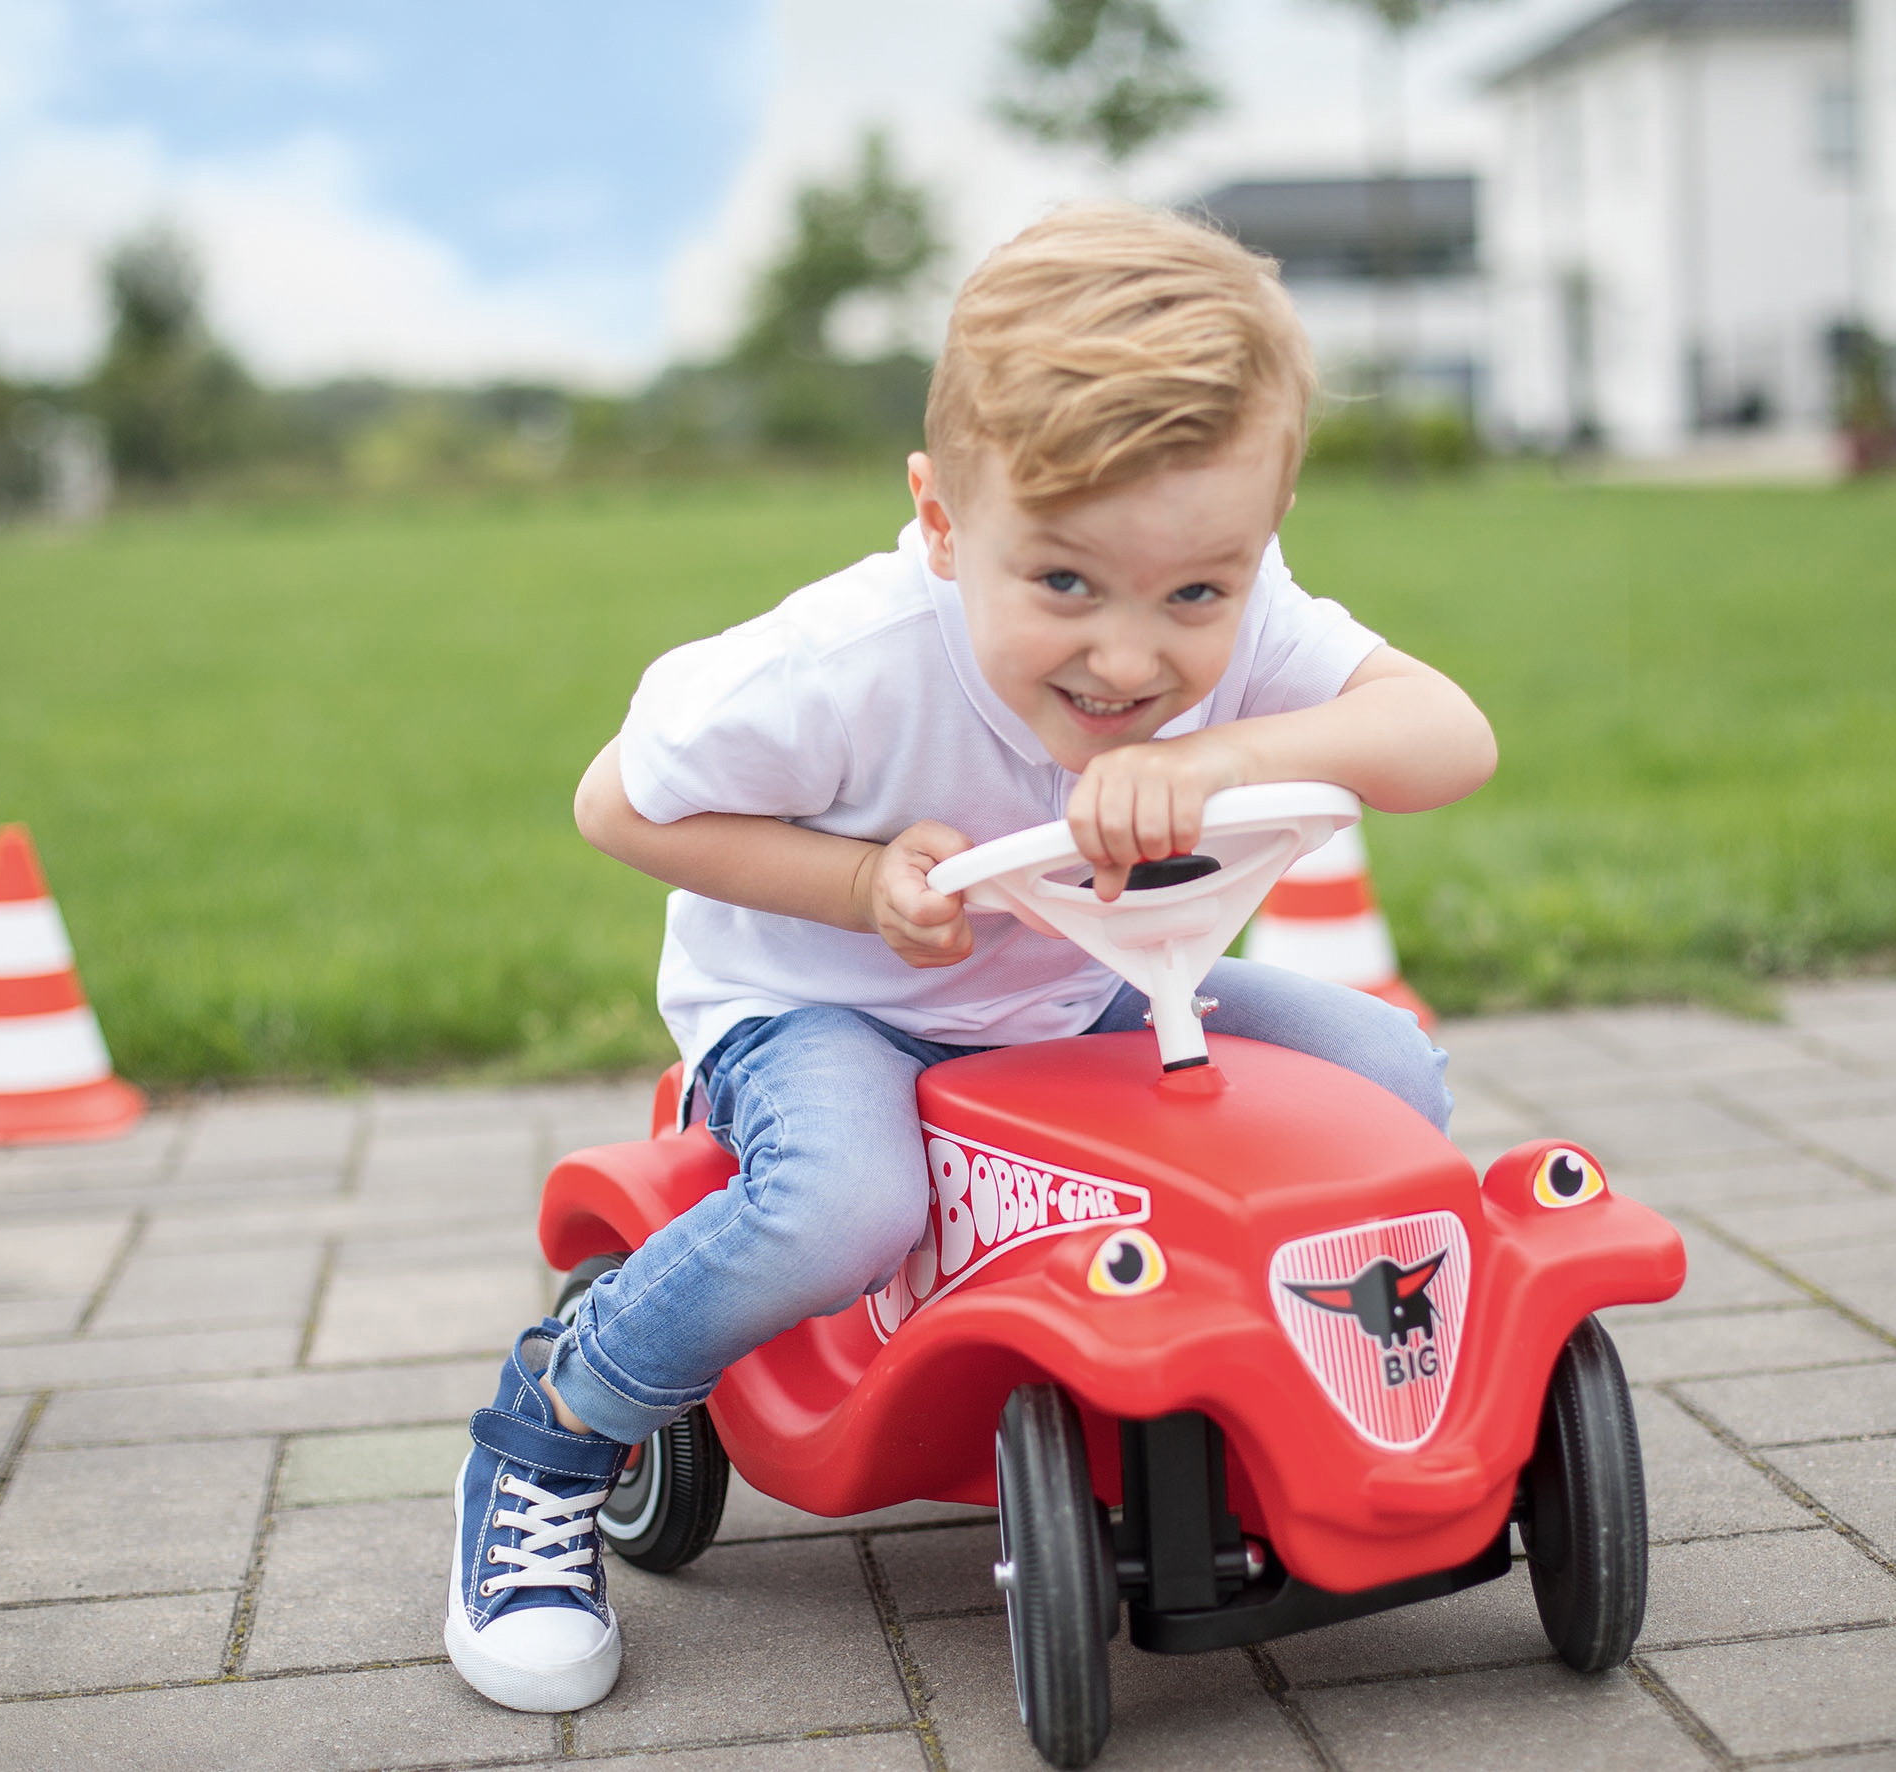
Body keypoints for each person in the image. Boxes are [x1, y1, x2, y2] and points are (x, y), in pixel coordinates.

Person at [443, 204, 1498, 1712]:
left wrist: (1221, 756)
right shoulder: (841, 667)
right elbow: (614, 804)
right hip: (824, 1005)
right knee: (847, 1206)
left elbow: (1448, 736)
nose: (1129, 658)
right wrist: (858, 881)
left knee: (1383, 1079)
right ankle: (556, 1422)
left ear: (1257, 540)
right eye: (1063, 584)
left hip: (1077, 989)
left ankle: (1259, 1397)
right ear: (942, 522)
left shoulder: (1244, 615)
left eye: (1195, 595)